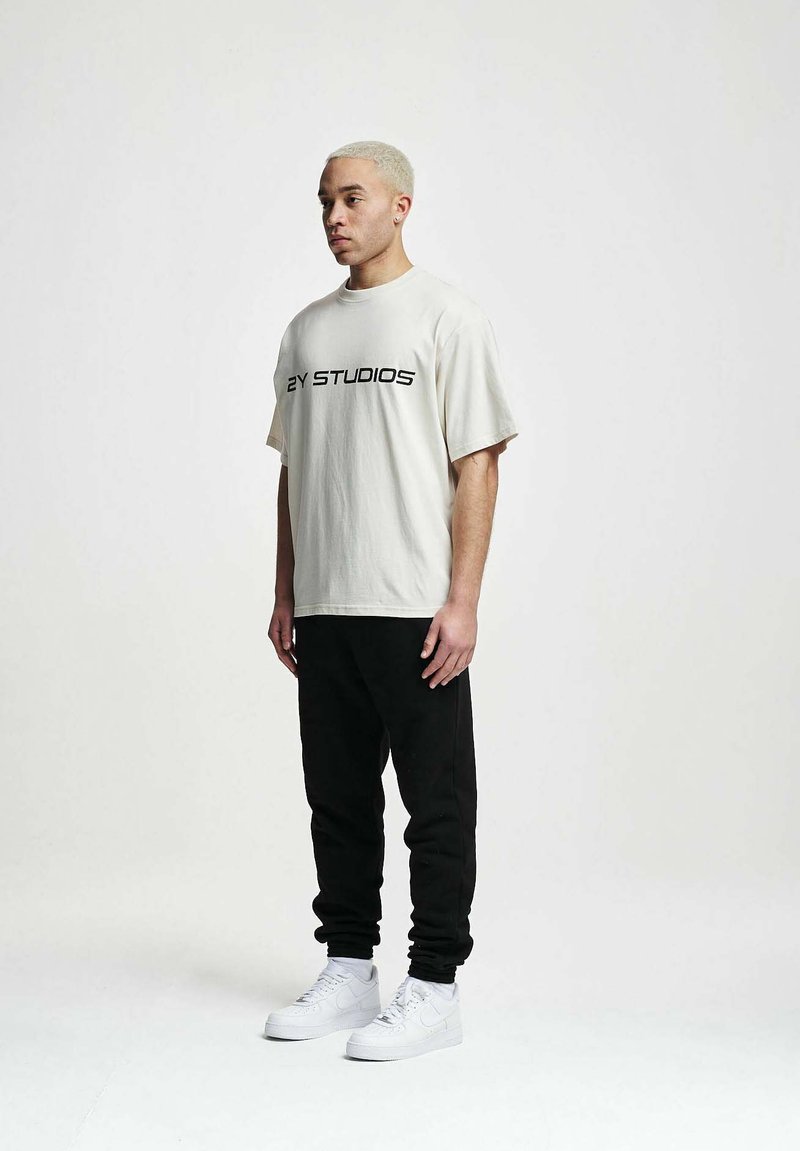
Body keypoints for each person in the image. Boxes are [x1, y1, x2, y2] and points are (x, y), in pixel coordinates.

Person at [262, 140, 519, 1061]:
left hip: (414, 605)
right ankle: (349, 967)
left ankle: (436, 984)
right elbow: (295, 469)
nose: (334, 217)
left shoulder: (447, 317)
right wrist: (287, 590)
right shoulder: (305, 331)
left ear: (401, 206)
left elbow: (478, 461)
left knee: (436, 803)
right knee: (337, 800)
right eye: (324, 201)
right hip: (326, 607)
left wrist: (463, 601)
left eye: (352, 199)